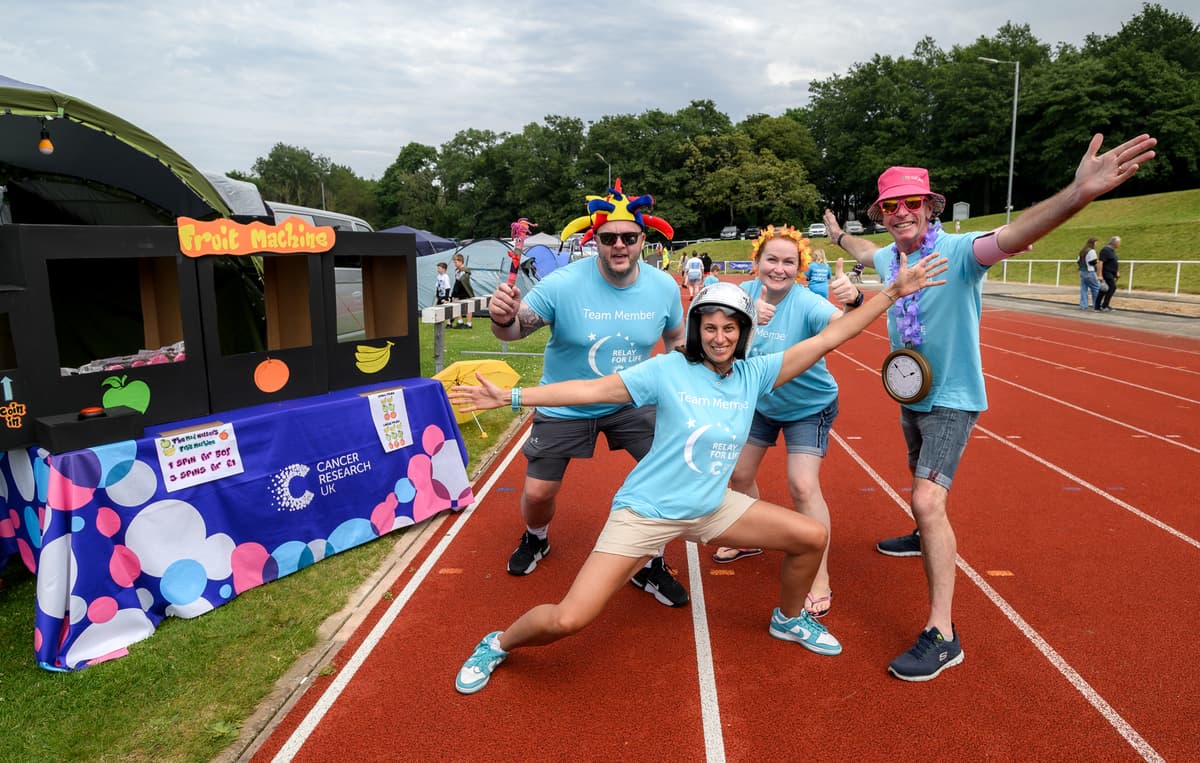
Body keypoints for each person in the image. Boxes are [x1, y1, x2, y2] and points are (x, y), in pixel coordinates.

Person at [451, 259, 948, 695]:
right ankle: (496, 642)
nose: (719, 337)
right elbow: (589, 388)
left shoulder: (755, 374)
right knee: (569, 619)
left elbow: (831, 336)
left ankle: (788, 618)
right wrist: (514, 398)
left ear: (745, 332)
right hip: (647, 513)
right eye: (709, 327)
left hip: (712, 508)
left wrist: (892, 292)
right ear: (695, 329)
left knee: (810, 536)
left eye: (730, 329)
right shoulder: (667, 370)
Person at [823, 132, 1156, 681]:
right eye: (890, 206)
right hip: (911, 391)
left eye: (912, 203)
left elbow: (1015, 232)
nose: (902, 213)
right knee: (917, 479)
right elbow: (860, 250)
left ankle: (943, 634)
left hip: (952, 397)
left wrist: (1077, 194)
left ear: (930, 208)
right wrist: (838, 235)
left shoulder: (958, 253)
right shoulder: (886, 256)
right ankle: (919, 533)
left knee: (929, 500)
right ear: (881, 214)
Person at [485, 179, 690, 607]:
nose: (619, 245)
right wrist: (501, 318)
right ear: (593, 240)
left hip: (632, 400)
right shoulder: (562, 284)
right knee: (540, 493)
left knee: (666, 475)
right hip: (566, 400)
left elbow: (675, 339)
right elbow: (516, 327)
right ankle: (536, 538)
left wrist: (684, 383)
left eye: (628, 237)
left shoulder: (664, 287)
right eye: (609, 237)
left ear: (642, 240)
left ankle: (650, 560)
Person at [711, 226, 867, 621]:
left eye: (788, 262)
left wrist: (854, 302)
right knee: (740, 474)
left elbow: (842, 327)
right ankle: (752, 539)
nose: (779, 269)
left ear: (798, 268)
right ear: (757, 262)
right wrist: (747, 320)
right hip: (761, 402)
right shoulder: (741, 295)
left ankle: (818, 574)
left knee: (802, 484)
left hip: (807, 405)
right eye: (772, 260)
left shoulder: (807, 302)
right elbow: (707, 331)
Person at [1096, 236, 1120, 311]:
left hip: (1111, 273)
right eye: (1119, 242)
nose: (1119, 244)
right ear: (1114, 243)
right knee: (1112, 287)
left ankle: (1098, 306)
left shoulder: (1112, 251)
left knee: (1104, 289)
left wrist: (1116, 272)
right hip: (1106, 273)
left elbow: (1113, 262)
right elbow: (1100, 263)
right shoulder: (1105, 250)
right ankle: (1104, 305)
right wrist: (1099, 275)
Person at [451, 253, 475, 329]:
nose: (454, 264)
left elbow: (464, 281)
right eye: (454, 262)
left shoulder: (465, 271)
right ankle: (460, 322)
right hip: (457, 290)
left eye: (456, 262)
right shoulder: (457, 270)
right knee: (455, 305)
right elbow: (457, 281)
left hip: (464, 290)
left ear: (461, 261)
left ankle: (469, 324)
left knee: (469, 307)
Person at [1077, 237, 1100, 310]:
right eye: (1096, 242)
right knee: (1096, 288)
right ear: (1093, 243)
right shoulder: (1092, 251)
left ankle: (1083, 305)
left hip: (1082, 272)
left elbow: (1078, 261)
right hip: (1090, 271)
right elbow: (1092, 262)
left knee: (1083, 289)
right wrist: (1097, 262)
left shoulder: (1082, 251)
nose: (1097, 244)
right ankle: (1096, 305)